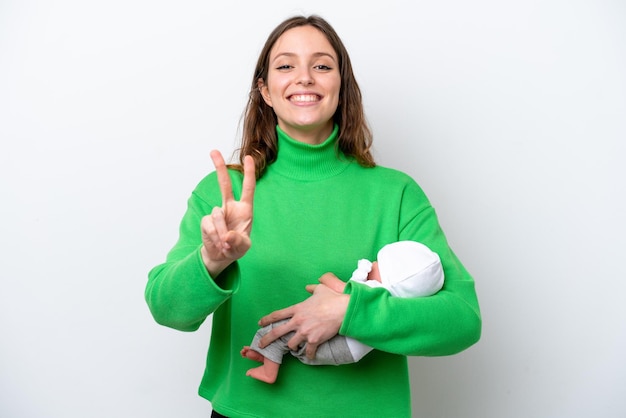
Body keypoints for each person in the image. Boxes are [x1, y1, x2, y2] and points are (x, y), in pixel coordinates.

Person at [145, 14, 481, 418]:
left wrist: (349, 310)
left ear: (342, 86)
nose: (304, 77)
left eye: (321, 65)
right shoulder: (223, 194)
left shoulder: (396, 194)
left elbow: (462, 320)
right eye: (286, 66)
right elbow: (168, 311)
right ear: (265, 91)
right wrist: (213, 260)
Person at [241, 240, 445, 383]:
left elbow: (333, 285)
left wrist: (326, 280)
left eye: (378, 263)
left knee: (279, 330)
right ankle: (266, 356)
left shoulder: (372, 291)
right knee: (292, 340)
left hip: (339, 347)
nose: (373, 263)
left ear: (389, 277)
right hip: (346, 353)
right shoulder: (390, 301)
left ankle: (269, 369)